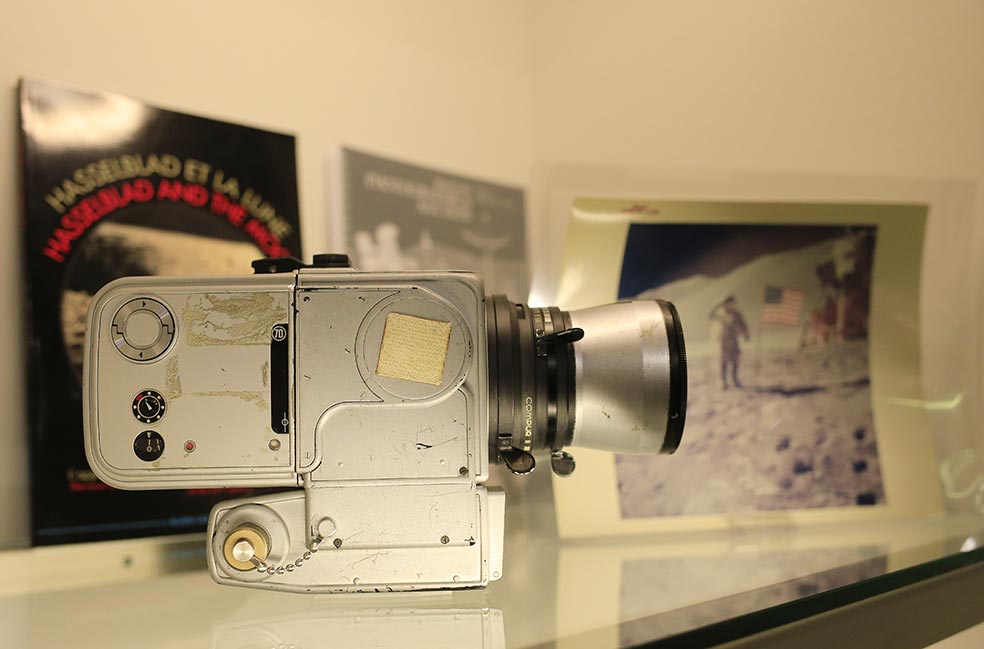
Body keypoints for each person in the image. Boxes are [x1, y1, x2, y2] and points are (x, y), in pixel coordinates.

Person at [709, 295, 750, 389]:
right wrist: (718, 305)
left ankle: (735, 379)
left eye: (733, 303)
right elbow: (710, 315)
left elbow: (743, 324)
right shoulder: (721, 313)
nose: (731, 305)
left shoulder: (737, 314)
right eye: (729, 303)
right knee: (724, 361)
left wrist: (746, 334)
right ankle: (723, 381)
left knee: (735, 360)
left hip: (734, 340)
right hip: (724, 341)